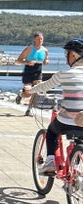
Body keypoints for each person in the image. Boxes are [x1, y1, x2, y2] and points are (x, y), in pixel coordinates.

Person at [30, 38, 83, 173]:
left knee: (52, 132)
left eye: (67, 54)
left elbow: (45, 86)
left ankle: (50, 162)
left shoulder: (64, 74)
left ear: (73, 55)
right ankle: (76, 167)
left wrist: (30, 91)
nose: (66, 57)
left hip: (67, 120)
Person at [15, 32, 48, 111]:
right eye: (38, 39)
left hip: (38, 72)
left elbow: (46, 60)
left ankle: (29, 109)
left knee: (36, 92)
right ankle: (20, 94)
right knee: (28, 93)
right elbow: (18, 60)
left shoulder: (45, 50)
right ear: (34, 40)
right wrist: (27, 62)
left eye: (41, 39)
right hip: (28, 72)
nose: (40, 41)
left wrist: (46, 62)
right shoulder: (29, 49)